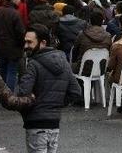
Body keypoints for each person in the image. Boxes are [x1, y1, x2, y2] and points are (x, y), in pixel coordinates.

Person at [17, 23, 82, 153]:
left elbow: (23, 93)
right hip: (54, 123)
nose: (25, 46)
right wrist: (57, 103)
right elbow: (76, 91)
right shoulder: (63, 61)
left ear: (43, 42)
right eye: (25, 42)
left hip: (36, 123)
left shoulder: (33, 64)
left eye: (29, 42)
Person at [0, 0, 26, 91]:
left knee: (3, 70)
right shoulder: (15, 14)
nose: (20, 1)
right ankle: (9, 94)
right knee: (12, 71)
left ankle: (1, 92)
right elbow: (20, 32)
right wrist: (21, 45)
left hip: (0, 46)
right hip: (13, 47)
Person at [72, 9, 112, 73]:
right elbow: (109, 53)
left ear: (90, 21)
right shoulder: (108, 36)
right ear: (102, 22)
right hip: (100, 69)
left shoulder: (82, 34)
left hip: (83, 69)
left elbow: (75, 52)